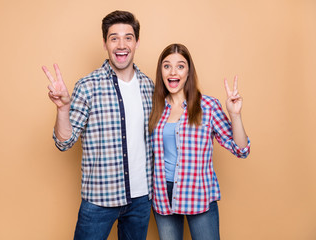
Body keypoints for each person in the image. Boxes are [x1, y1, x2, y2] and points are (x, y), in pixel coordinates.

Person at [42, 10, 154, 240]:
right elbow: (64, 142)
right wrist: (62, 109)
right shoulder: (87, 86)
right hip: (100, 199)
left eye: (128, 37)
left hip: (142, 198)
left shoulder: (149, 87)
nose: (121, 44)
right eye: (114, 38)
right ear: (105, 44)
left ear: (137, 42)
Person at [149, 43, 251, 240]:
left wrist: (235, 115)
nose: (173, 71)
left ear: (188, 72)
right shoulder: (155, 109)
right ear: (161, 71)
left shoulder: (208, 106)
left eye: (180, 66)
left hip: (198, 192)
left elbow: (241, 150)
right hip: (163, 193)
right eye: (167, 65)